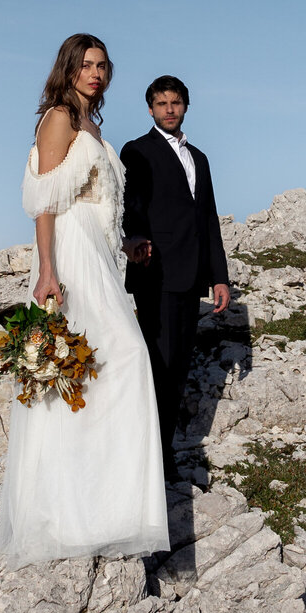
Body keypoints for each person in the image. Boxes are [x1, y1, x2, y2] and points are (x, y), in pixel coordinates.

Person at [0, 34, 170, 568]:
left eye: (102, 65)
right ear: (67, 69)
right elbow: (44, 202)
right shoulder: (59, 118)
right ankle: (68, 513)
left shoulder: (94, 125)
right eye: (85, 64)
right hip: (69, 257)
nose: (95, 72)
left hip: (101, 255)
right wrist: (47, 268)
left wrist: (128, 243)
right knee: (109, 365)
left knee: (104, 372)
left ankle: (106, 508)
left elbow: (100, 203)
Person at [120, 75, 230, 482]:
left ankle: (161, 451)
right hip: (156, 273)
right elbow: (130, 205)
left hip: (191, 278)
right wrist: (134, 239)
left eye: (176, 102)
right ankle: (156, 460)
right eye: (161, 103)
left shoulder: (199, 157)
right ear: (150, 109)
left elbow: (208, 220)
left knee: (179, 369)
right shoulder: (136, 150)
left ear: (185, 106)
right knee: (159, 368)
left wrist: (219, 277)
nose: (169, 109)